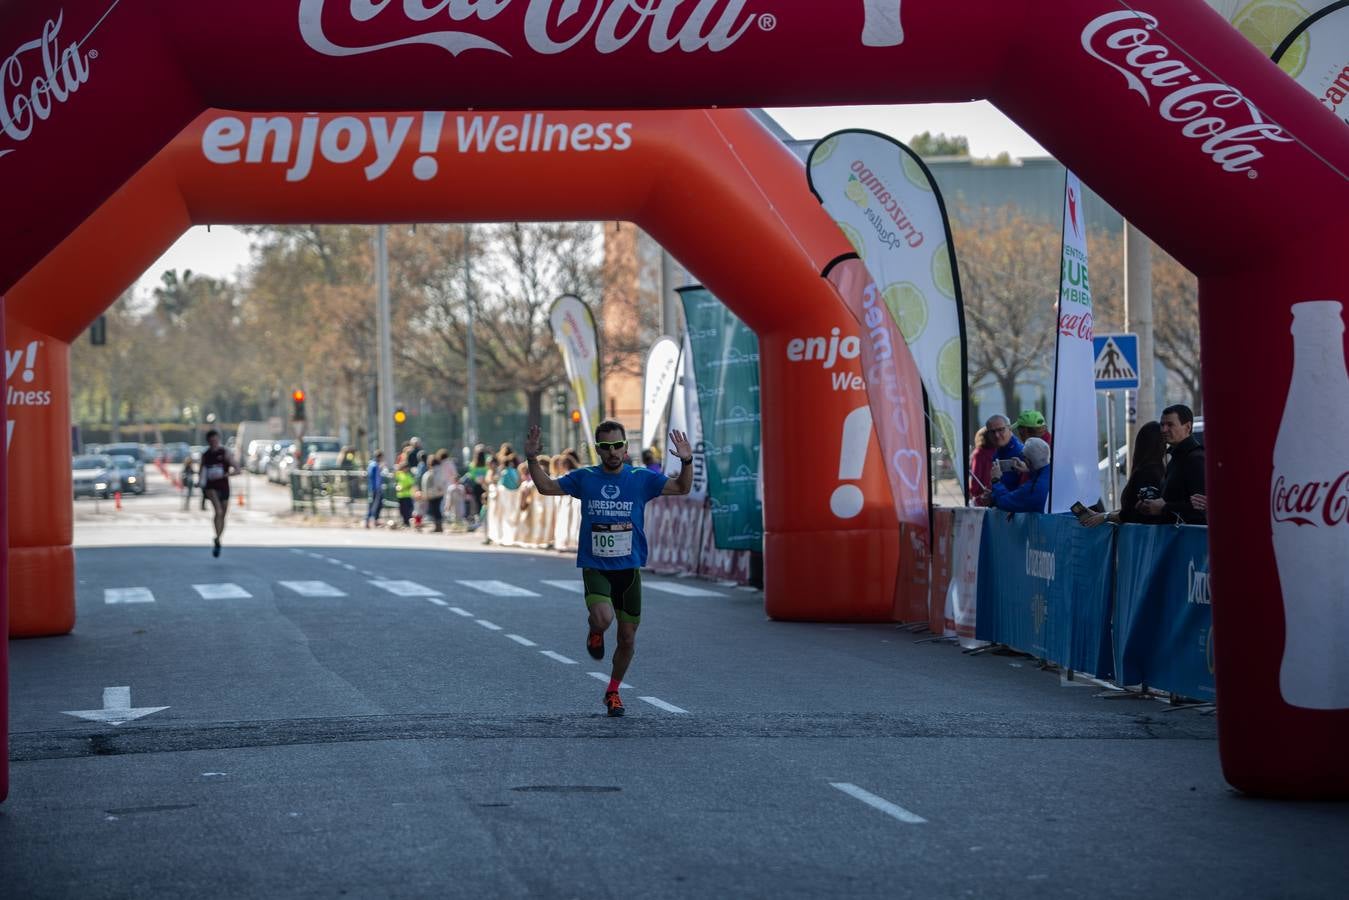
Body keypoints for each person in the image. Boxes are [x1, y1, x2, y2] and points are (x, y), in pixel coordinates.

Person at [525, 420, 693, 718]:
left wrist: (687, 459)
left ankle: (613, 691)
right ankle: (595, 629)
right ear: (598, 450)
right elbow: (546, 486)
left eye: (617, 446)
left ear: (626, 448)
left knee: (627, 638)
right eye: (606, 447)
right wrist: (531, 458)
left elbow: (681, 487)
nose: (612, 452)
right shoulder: (585, 478)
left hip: (628, 569)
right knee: (603, 619)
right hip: (596, 566)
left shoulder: (641, 479)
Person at [1081, 421, 1169, 526]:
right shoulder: (1158, 470)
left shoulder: (1146, 472)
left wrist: (1105, 517)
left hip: (1138, 538)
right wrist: (1102, 515)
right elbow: (1131, 508)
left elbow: (1132, 514)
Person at [1137, 404, 1206, 524]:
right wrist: (1150, 504)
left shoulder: (1195, 459)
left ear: (1187, 427)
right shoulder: (1176, 458)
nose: (1164, 430)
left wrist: (1165, 507)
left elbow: (1201, 510)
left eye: (1170, 425)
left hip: (1189, 539)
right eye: (1162, 425)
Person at [199, 429, 241, 557]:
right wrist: (200, 483)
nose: (214, 443)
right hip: (211, 487)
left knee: (223, 515)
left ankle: (217, 539)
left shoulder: (225, 453)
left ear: (219, 440)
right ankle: (217, 537)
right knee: (218, 511)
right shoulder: (206, 455)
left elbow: (238, 469)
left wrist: (227, 474)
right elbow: (201, 472)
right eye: (211, 441)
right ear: (208, 442)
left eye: (216, 440)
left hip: (224, 486)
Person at [990, 437, 1051, 513]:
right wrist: (1029, 470)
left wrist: (996, 480)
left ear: (1028, 461)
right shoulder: (1055, 472)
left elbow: (1004, 502)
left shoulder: (1032, 488)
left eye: (1023, 457)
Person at [977, 414, 1024, 505]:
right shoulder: (997, 452)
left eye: (1001, 430)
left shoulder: (1021, 453)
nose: (997, 435)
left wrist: (994, 498)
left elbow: (1020, 494)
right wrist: (992, 496)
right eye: (992, 432)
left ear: (1009, 428)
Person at [967, 426, 994, 502]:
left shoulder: (979, 453)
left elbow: (976, 476)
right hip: (995, 494)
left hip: (982, 496)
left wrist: (972, 492)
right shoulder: (998, 451)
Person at [421, 456, 446, 533]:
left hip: (434, 493)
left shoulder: (435, 470)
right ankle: (438, 526)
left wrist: (438, 487)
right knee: (436, 510)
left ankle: (438, 526)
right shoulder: (439, 469)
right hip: (437, 493)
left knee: (436, 510)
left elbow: (437, 481)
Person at [365, 450, 385, 528]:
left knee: (377, 505)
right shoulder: (374, 465)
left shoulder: (372, 465)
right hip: (375, 489)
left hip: (374, 488)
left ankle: (373, 520)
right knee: (373, 506)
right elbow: (375, 478)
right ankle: (368, 521)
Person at [394, 461, 417, 528]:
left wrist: (403, 488)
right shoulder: (399, 474)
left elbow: (411, 485)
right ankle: (404, 522)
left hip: (407, 495)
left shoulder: (408, 475)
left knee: (408, 510)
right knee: (402, 510)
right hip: (400, 495)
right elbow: (396, 481)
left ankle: (407, 523)